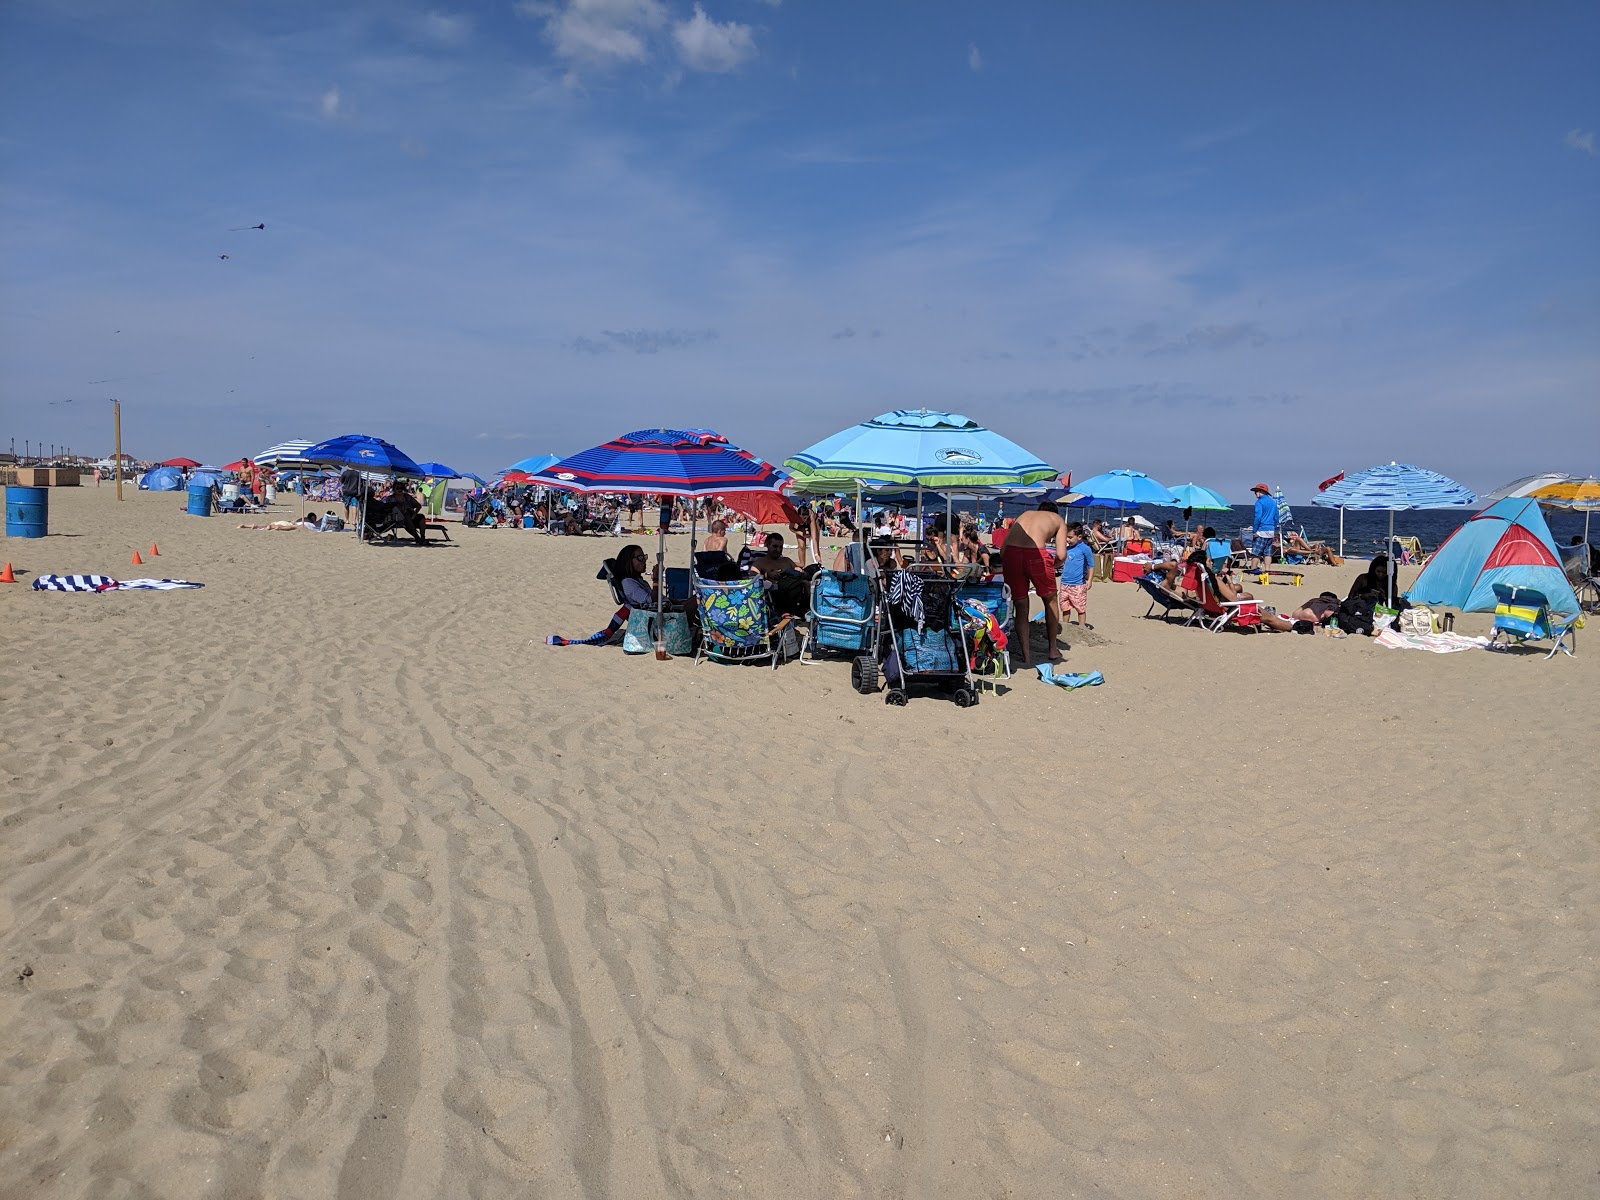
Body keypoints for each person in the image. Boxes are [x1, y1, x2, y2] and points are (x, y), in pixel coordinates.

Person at [1001, 500, 1069, 665]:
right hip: (1036, 554)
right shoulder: (1058, 520)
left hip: (1011, 553)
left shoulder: (1024, 515)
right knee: (1050, 600)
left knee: (1021, 604)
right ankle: (1053, 649)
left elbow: (1003, 550)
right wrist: (1052, 566)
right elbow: (1061, 555)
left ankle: (1026, 654)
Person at [1057, 521, 1095, 629]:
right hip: (1065, 583)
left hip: (1078, 584)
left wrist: (1090, 580)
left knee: (1080, 607)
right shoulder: (1067, 548)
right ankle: (1066, 626)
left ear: (1079, 537)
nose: (1067, 540)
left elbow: (1091, 565)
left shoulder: (1085, 549)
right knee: (1065, 607)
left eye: (1070, 537)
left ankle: (1082, 627)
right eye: (1066, 537)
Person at [1249, 483, 1278, 569]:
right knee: (1268, 553)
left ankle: (1253, 570)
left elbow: (1257, 517)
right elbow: (1276, 517)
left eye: (1256, 491)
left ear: (1261, 491)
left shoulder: (1259, 502)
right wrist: (1273, 526)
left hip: (1262, 530)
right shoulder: (1273, 502)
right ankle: (1267, 571)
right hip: (1271, 530)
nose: (1255, 493)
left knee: (1256, 553)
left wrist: (1255, 531)